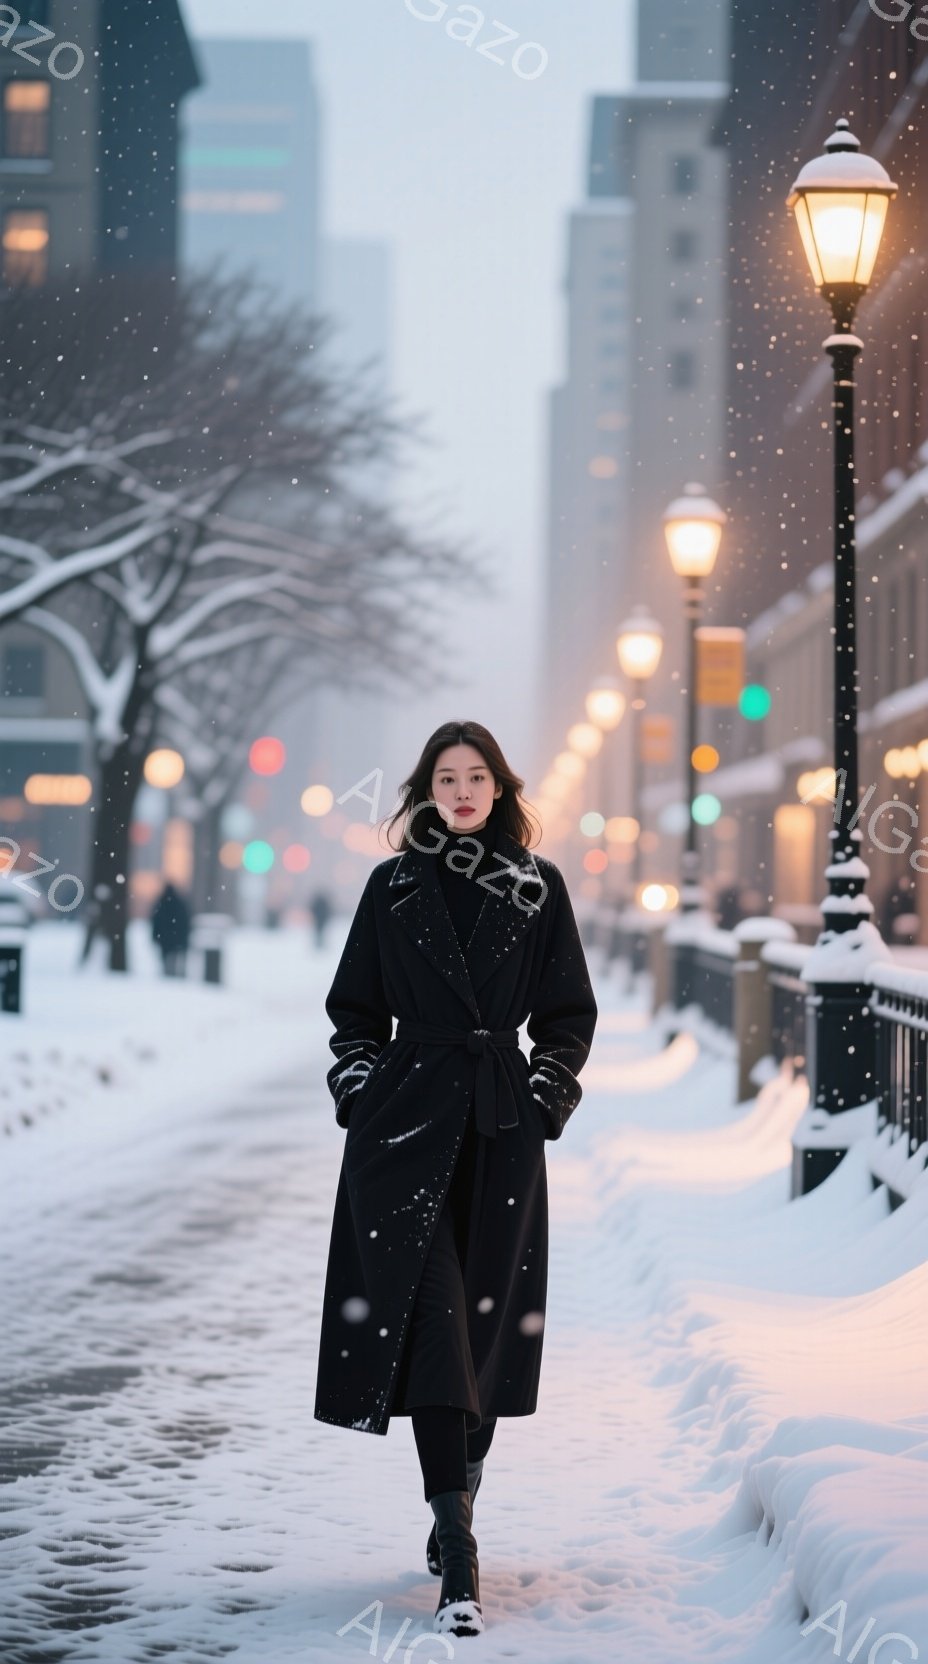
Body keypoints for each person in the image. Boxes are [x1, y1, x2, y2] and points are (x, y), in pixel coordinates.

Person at [314, 721, 598, 1639]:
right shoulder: (391, 886)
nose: (463, 792)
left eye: (478, 777)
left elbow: (568, 1013)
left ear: (500, 788)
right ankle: (461, 1552)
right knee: (435, 1324)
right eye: (447, 778)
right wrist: (359, 1088)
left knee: (482, 1331)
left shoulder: (536, 885)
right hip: (402, 1128)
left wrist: (549, 1095)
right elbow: (352, 1009)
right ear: (426, 791)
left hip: (502, 1128)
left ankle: (456, 1496)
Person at [150, 881, 191, 977]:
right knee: (177, 963)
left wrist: (155, 937)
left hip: (165, 940)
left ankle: (169, 979)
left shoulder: (161, 904)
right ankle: (176, 980)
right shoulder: (180, 904)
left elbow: (156, 923)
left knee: (167, 964)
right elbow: (185, 924)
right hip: (177, 940)